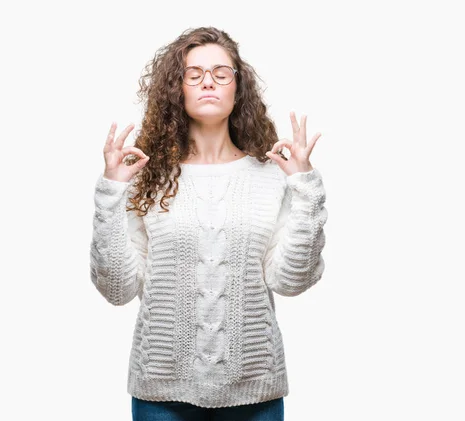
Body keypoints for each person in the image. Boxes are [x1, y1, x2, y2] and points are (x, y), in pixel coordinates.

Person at [89, 26, 328, 420]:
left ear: (239, 87)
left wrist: (306, 188)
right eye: (193, 74)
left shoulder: (271, 176)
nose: (208, 83)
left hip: (255, 391)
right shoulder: (145, 176)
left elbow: (292, 281)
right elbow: (117, 289)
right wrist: (110, 191)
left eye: (221, 73)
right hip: (160, 391)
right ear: (176, 88)